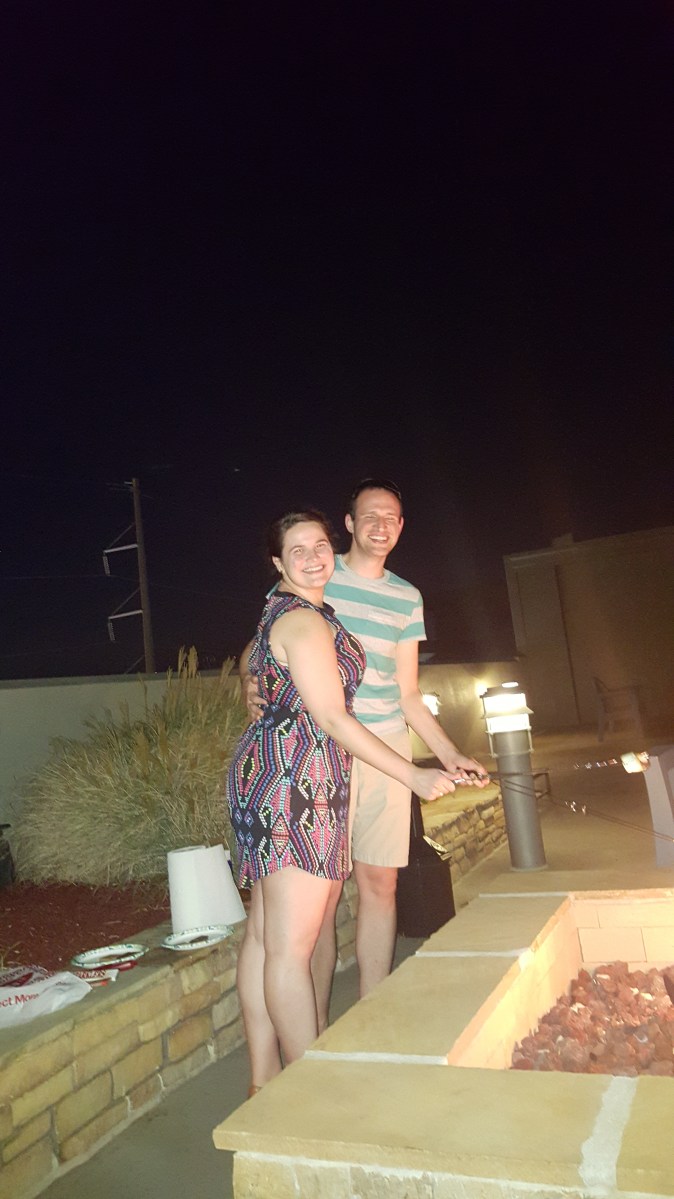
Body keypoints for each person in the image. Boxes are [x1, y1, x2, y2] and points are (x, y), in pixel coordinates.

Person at [227, 508, 456, 1094]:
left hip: (279, 774)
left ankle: (263, 1079)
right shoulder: (304, 622)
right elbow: (331, 716)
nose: (312, 557)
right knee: (289, 948)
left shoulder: (299, 611)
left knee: (267, 937)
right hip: (296, 785)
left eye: (319, 545)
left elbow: (266, 664)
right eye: (297, 550)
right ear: (278, 562)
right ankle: (313, 1089)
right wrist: (413, 775)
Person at [240, 480, 488, 1003]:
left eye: (391, 517)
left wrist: (450, 755)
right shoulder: (317, 571)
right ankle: (315, 1020)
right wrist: (247, 681)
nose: (380, 526)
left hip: (387, 747)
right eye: (369, 516)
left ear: (401, 527)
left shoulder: (406, 597)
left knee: (381, 884)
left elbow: (408, 693)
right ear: (349, 523)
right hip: (322, 754)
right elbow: (261, 642)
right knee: (323, 897)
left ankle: (375, 1005)